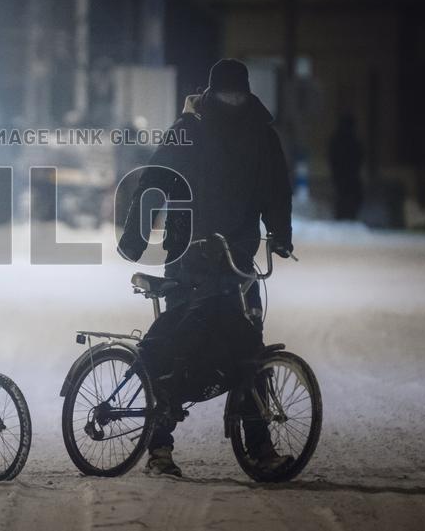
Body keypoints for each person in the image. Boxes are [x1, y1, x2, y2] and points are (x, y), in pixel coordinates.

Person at [118, 58, 294, 477]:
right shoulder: (189, 131)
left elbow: (275, 189)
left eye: (238, 93)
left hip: (236, 258)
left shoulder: (260, 135)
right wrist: (135, 237)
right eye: (226, 94)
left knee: (249, 350)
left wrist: (281, 233)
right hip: (189, 256)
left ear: (247, 93)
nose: (233, 100)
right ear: (213, 93)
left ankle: (259, 446)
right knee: (178, 349)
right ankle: (159, 448)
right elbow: (155, 180)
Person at [328, 114, 364, 220]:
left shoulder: (348, 140)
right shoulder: (342, 140)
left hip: (348, 175)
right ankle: (344, 217)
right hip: (345, 175)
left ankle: (347, 217)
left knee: (349, 197)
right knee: (345, 197)